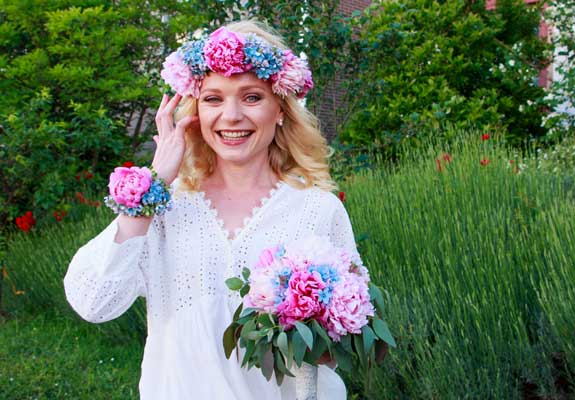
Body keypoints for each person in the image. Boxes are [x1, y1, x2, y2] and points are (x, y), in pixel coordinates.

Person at [64, 20, 359, 400]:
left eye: (252, 97)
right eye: (214, 99)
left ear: (281, 110)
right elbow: (94, 302)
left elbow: (339, 344)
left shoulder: (318, 210)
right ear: (195, 113)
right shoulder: (163, 208)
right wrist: (151, 188)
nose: (232, 116)